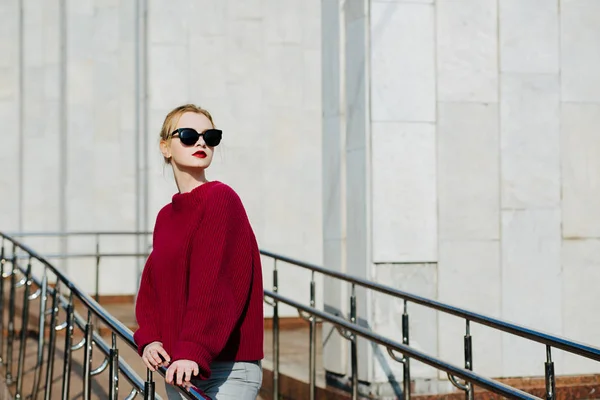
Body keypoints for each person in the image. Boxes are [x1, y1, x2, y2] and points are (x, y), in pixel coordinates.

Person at [133, 104, 264, 399]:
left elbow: (216, 284)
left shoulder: (220, 198)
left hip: (226, 369)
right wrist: (150, 337)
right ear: (165, 147)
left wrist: (194, 349)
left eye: (210, 136)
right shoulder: (167, 216)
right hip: (180, 366)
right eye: (189, 135)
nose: (201, 142)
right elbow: (154, 286)